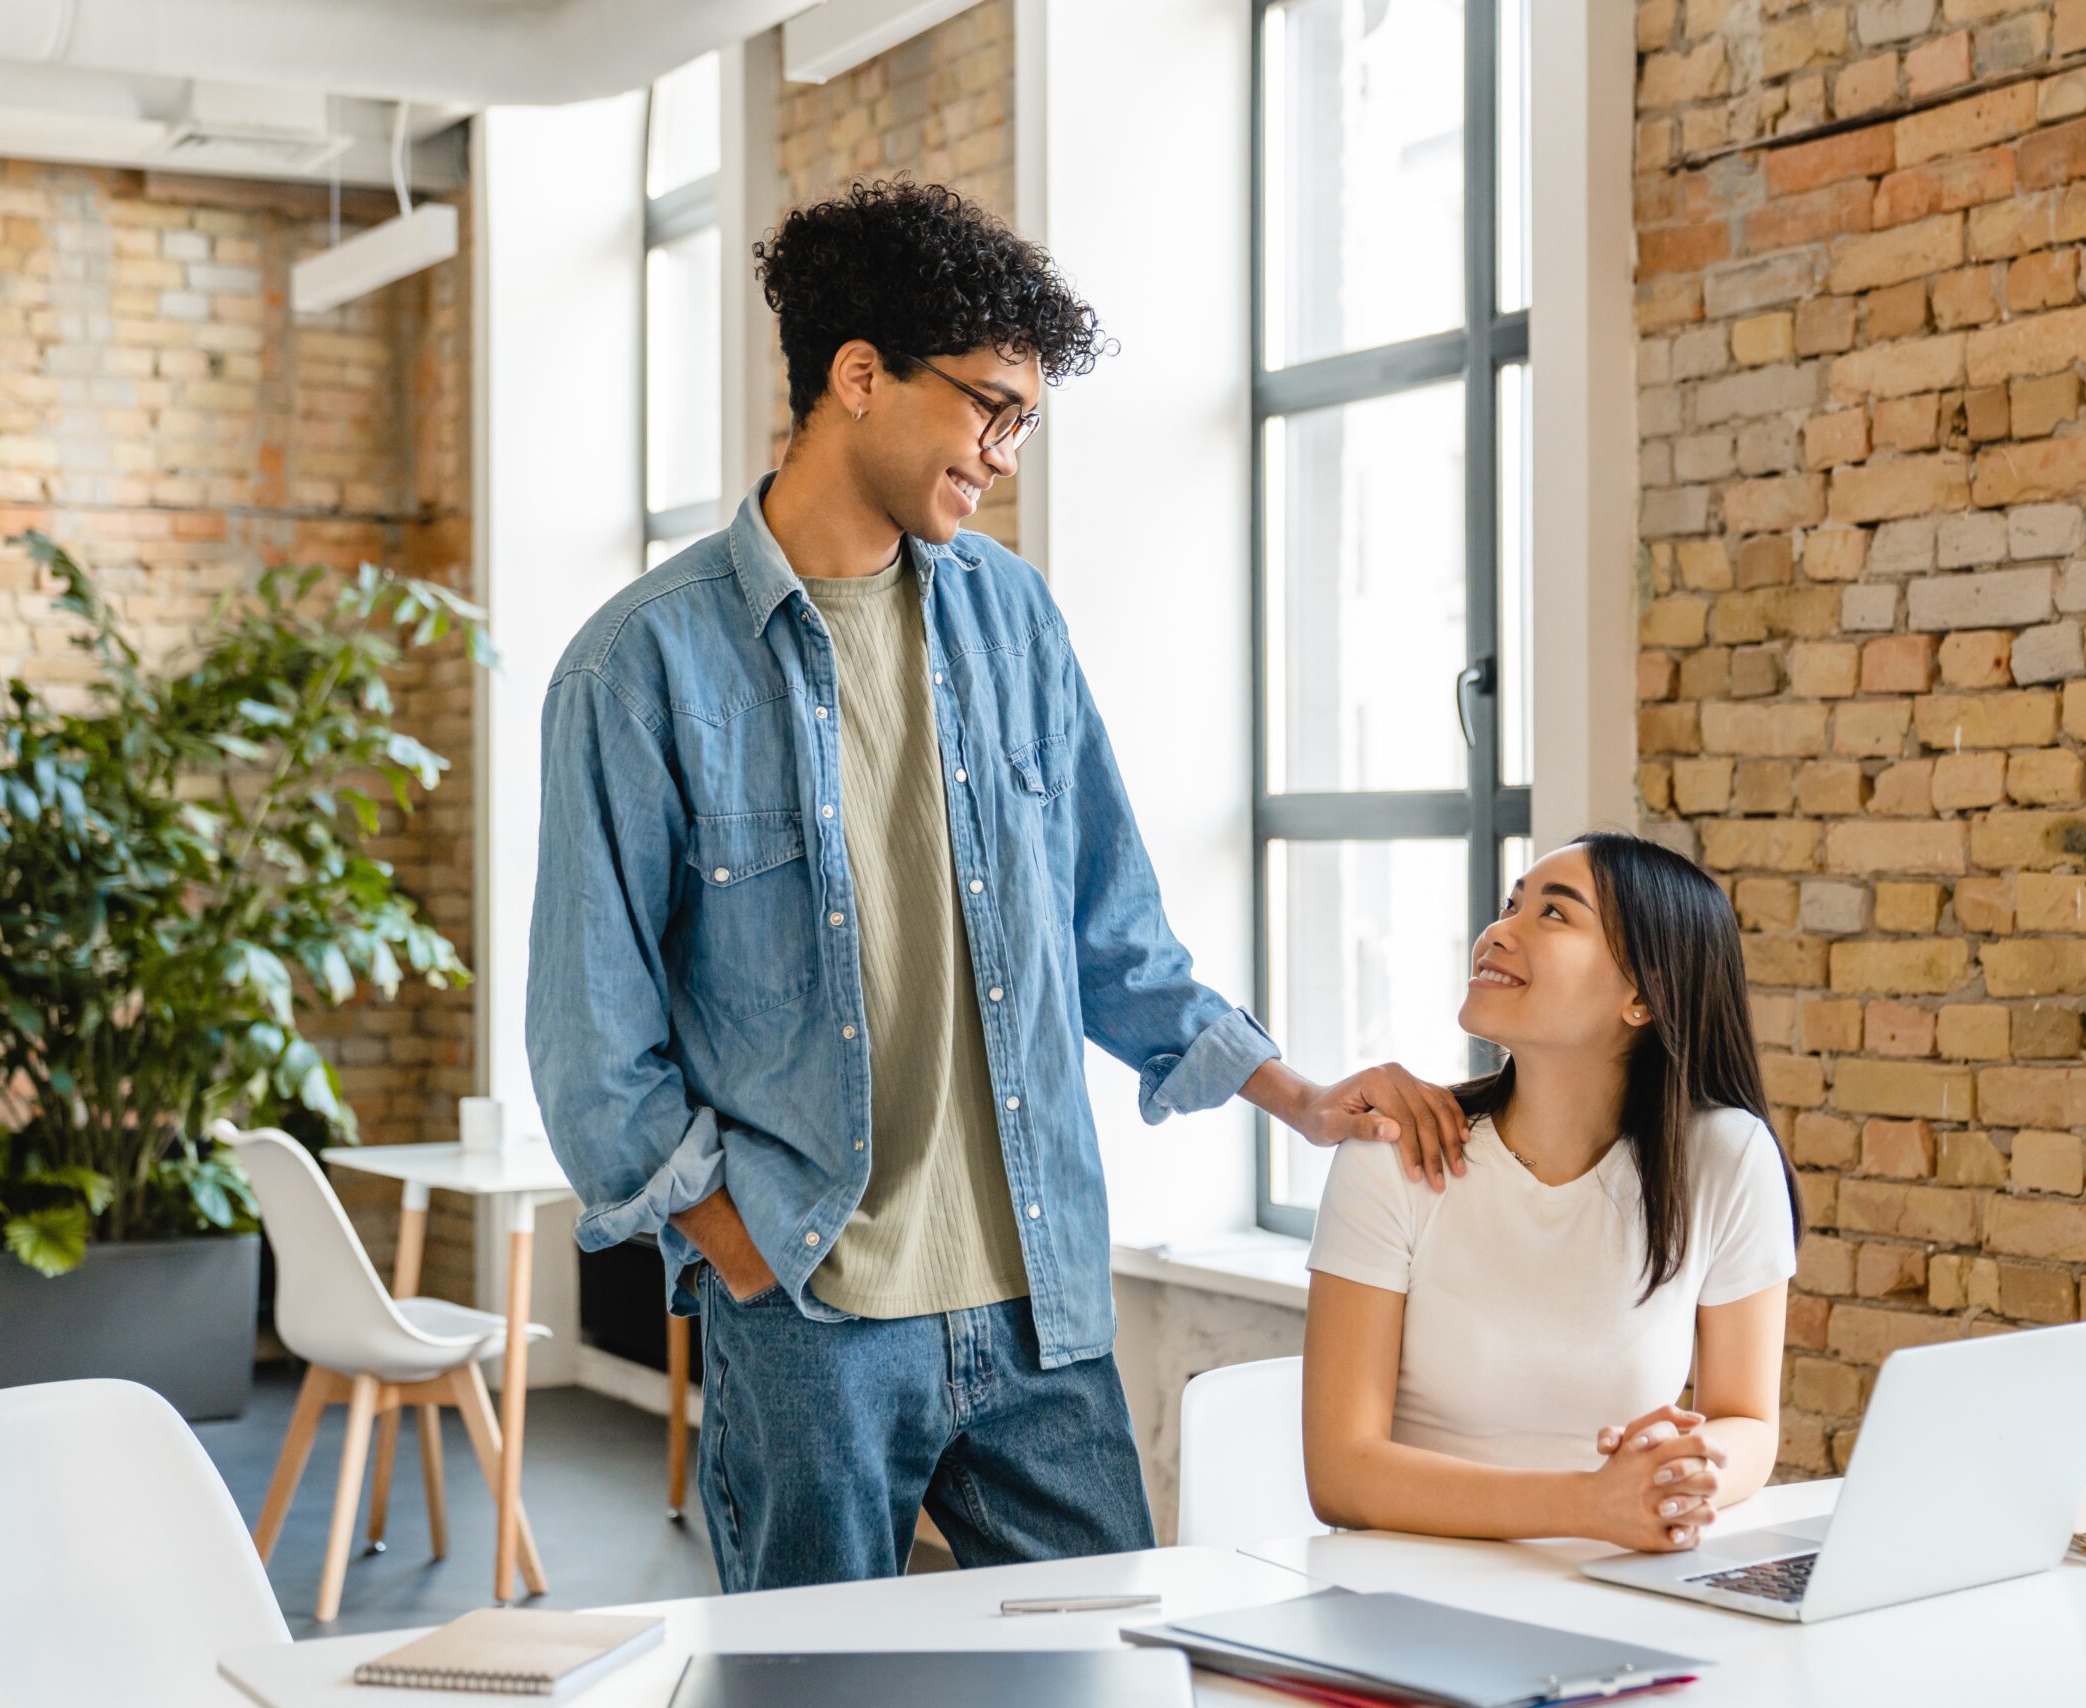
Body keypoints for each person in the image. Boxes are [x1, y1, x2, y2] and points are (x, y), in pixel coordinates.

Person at [527, 179, 1470, 1593]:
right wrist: (736, 1251)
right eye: (990, 408)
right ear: (859, 377)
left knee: (1113, 1673)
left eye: (1022, 420)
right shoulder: (643, 667)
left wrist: (1299, 1097)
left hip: (1039, 1305)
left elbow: (1109, 927)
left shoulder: (1011, 615)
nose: (1005, 456)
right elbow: (594, 1037)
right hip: (814, 1318)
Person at [1301, 832, 1800, 1555]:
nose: (1498, 931)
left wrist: (1671, 1484)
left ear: (1641, 996)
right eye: (1511, 905)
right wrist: (1589, 1505)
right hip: (1410, 1586)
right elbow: (1342, 1475)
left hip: (1621, 1570)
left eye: (1554, 914)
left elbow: (1747, 1423)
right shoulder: (1393, 1153)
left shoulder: (1725, 1157)